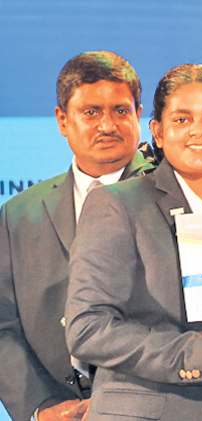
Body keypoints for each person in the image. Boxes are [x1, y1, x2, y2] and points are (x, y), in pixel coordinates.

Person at [64, 64, 202, 421]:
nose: (198, 132)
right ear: (157, 132)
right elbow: (87, 329)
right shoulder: (117, 204)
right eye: (181, 120)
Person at [0, 51, 155, 421]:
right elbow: (3, 325)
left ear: (140, 115)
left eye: (121, 111)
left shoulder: (174, 199)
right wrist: (40, 408)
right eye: (91, 112)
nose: (107, 125)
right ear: (62, 120)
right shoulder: (19, 214)